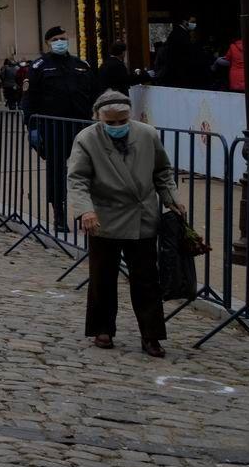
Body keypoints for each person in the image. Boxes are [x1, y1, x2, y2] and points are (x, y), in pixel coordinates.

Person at [67, 89, 182, 358]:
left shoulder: (147, 134)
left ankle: (151, 335)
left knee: (146, 279)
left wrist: (171, 198)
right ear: (98, 118)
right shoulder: (87, 139)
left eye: (122, 121)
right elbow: (78, 179)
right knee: (102, 276)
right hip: (104, 217)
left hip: (141, 215)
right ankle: (102, 328)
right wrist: (85, 211)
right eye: (111, 123)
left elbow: (162, 171)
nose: (117, 127)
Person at [22, 24, 96, 225]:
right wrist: (32, 126)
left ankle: (85, 212)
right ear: (48, 43)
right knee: (57, 170)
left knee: (86, 169)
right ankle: (59, 212)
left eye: (63, 39)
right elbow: (29, 99)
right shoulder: (39, 67)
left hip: (81, 125)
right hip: (54, 126)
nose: (60, 43)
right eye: (55, 40)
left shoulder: (81, 65)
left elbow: (93, 93)